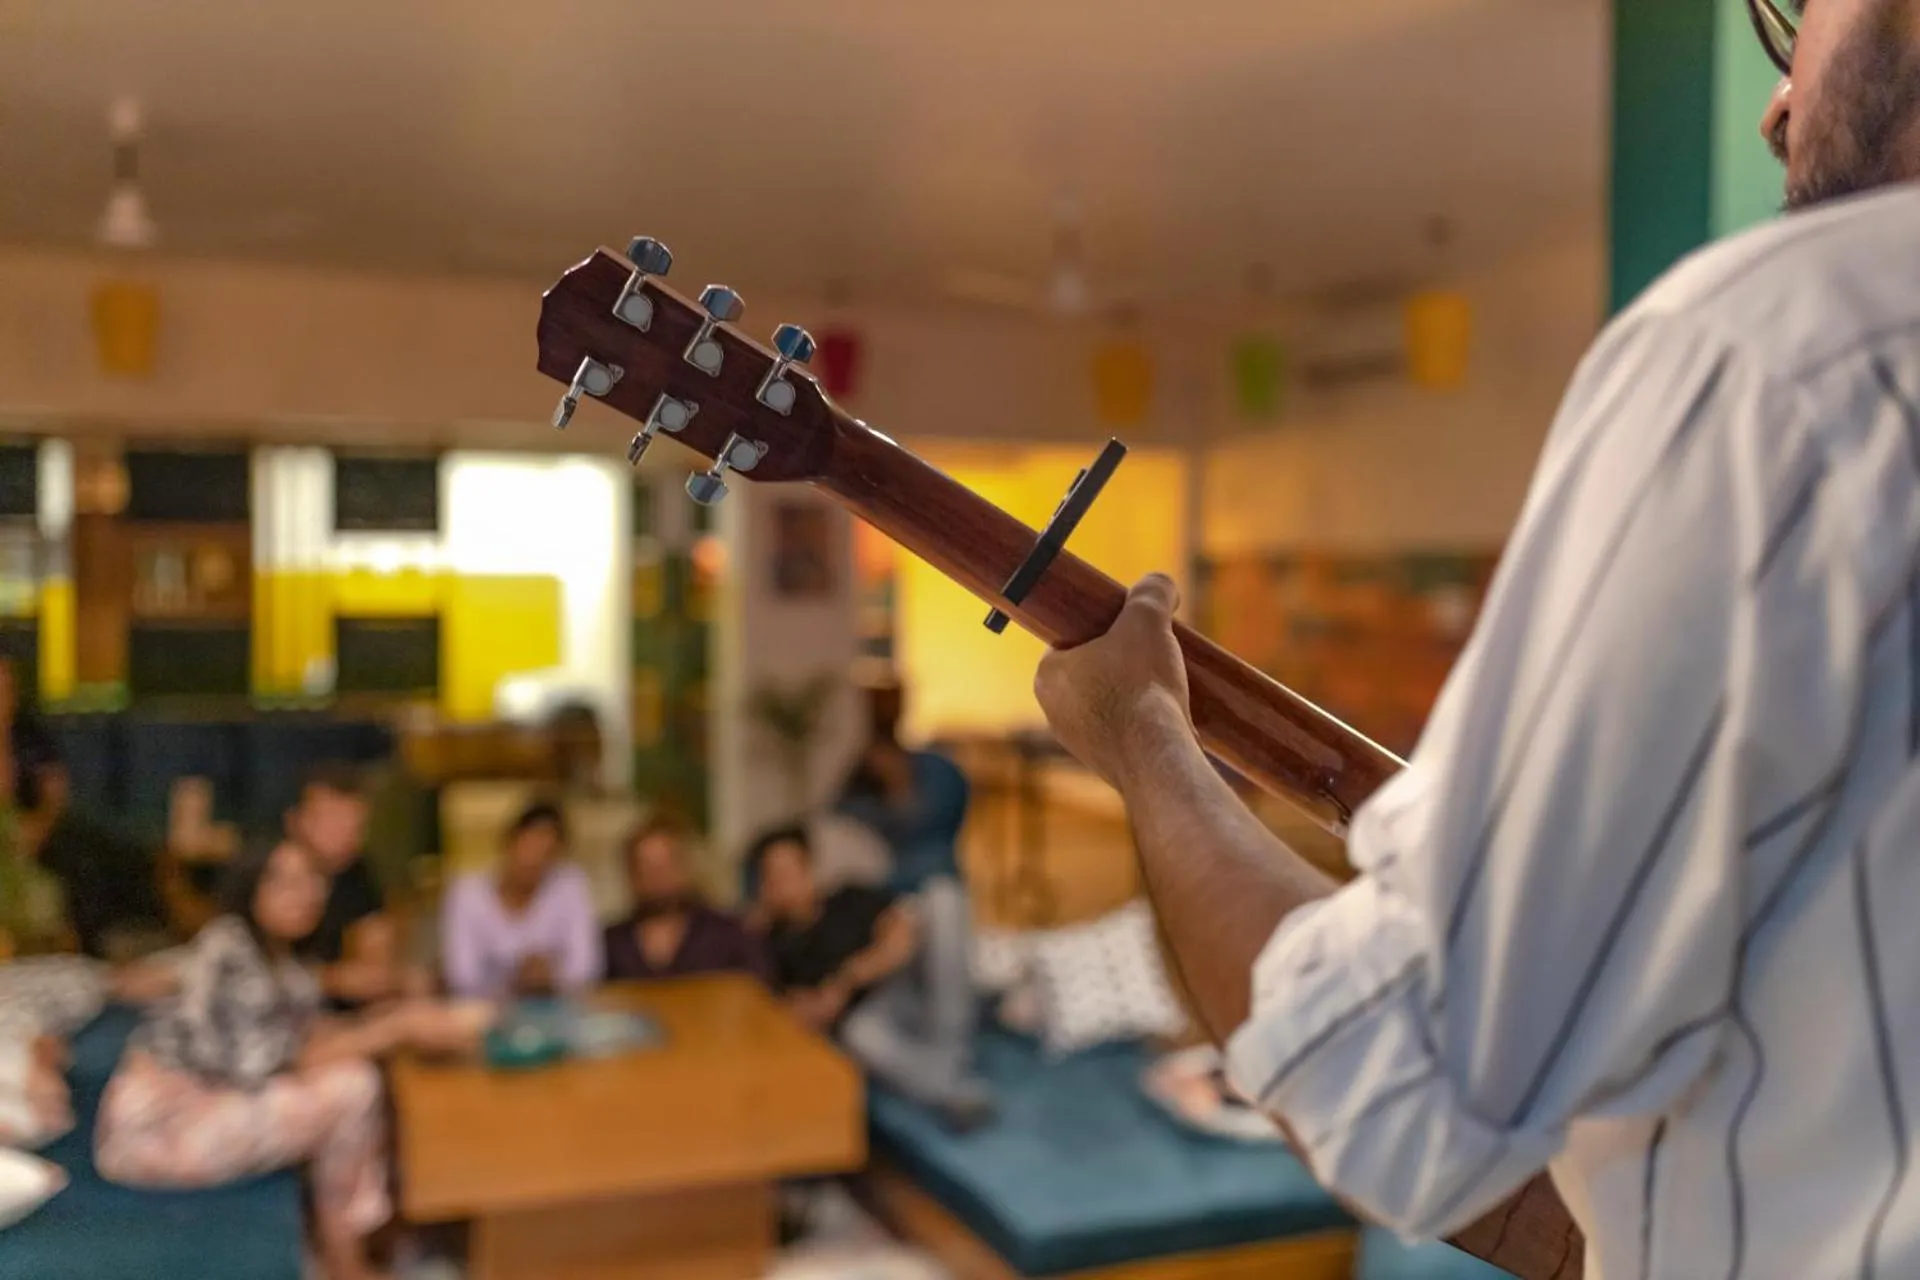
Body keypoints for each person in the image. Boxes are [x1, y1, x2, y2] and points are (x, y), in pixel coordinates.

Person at [1031, 7, 1920, 1277]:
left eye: (1801, 19)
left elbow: (1389, 1083)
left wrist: (1147, 741)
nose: (1776, 107)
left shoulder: (1782, 352)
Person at [93, 843, 484, 1280]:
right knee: (353, 1088)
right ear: (250, 890)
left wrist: (396, 1018)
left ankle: (376, 1238)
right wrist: (395, 1029)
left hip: (216, 1101)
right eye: (283, 881)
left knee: (367, 1074)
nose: (305, 893)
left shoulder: (282, 961)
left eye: (312, 879)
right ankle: (346, 1262)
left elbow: (309, 1032)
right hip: (161, 1128)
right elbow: (276, 1060)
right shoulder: (228, 947)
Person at [749, 825, 991, 1130]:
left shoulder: (848, 897)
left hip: (911, 984)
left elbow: (903, 932)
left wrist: (849, 976)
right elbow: (795, 1012)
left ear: (810, 868)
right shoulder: (771, 944)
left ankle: (951, 1056)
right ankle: (954, 1086)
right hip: (870, 1018)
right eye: (774, 875)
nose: (785, 882)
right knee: (859, 1035)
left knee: (943, 896)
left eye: (791, 869)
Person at [441, 801, 601, 1000]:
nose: (535, 861)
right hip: (484, 1015)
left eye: (547, 853)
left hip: (555, 1009)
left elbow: (587, 968)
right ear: (509, 843)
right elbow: (461, 976)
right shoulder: (467, 893)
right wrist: (516, 978)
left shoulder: (570, 886)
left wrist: (551, 976)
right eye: (529, 848)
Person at [835, 682, 970, 896]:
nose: (886, 708)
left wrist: (898, 784)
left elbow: (933, 817)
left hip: (926, 874)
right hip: (875, 868)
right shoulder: (862, 772)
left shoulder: (936, 770)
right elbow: (841, 821)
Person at [285, 764, 401, 1006]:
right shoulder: (270, 876)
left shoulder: (357, 874)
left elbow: (376, 958)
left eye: (356, 826)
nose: (346, 836)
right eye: (333, 823)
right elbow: (258, 971)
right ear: (295, 821)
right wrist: (333, 979)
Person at [602, 817, 769, 983]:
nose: (656, 877)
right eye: (645, 867)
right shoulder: (611, 943)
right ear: (631, 874)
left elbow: (759, 993)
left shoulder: (728, 933)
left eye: (664, 866)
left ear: (684, 866)